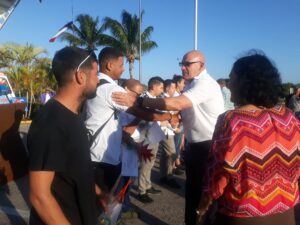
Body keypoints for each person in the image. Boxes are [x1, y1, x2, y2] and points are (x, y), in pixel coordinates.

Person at [112, 50, 225, 225]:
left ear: (201, 65)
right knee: (193, 194)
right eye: (182, 63)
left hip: (207, 146)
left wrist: (139, 101)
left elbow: (179, 103)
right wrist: (175, 118)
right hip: (195, 146)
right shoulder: (191, 84)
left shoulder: (206, 84)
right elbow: (183, 109)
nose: (183, 67)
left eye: (187, 64)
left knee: (205, 198)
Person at [196, 51, 300, 225]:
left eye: (232, 79)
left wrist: (202, 209)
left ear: (245, 82)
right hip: (287, 213)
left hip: (243, 215)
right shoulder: (289, 117)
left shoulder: (232, 120)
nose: (228, 85)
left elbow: (217, 174)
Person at [84, 48, 177, 201]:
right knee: (105, 206)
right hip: (104, 158)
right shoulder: (111, 89)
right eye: (121, 65)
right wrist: (168, 116)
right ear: (109, 65)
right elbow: (142, 113)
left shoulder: (96, 85)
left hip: (94, 152)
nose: (123, 69)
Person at [27, 47, 99, 225]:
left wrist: (99, 193)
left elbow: (74, 169)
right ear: (80, 76)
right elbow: (39, 196)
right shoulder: (51, 122)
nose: (98, 80)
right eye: (96, 74)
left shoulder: (73, 115)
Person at [159, 79, 181, 188]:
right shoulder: (164, 100)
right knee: (172, 153)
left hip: (168, 130)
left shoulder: (169, 99)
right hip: (166, 131)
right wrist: (174, 129)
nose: (174, 89)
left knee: (165, 155)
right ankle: (169, 177)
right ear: (167, 88)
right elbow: (164, 119)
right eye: (173, 87)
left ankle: (163, 176)